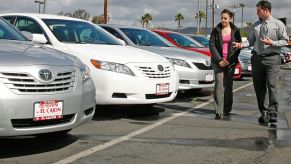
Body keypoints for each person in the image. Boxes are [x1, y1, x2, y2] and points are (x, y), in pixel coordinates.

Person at [233, 1, 289, 124]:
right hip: (257, 59)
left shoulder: (278, 24)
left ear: (265, 10)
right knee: (259, 87)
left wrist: (272, 43)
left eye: (258, 10)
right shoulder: (256, 25)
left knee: (272, 85)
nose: (256, 12)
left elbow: (286, 41)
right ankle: (263, 112)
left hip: (272, 59)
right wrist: (241, 44)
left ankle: (273, 113)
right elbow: (250, 41)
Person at [209, 9, 242, 120]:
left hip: (230, 62)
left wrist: (228, 60)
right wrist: (219, 60)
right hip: (218, 61)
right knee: (218, 84)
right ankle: (218, 111)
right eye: (222, 18)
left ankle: (227, 109)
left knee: (228, 86)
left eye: (225, 18)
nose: (223, 20)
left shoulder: (235, 30)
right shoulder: (216, 30)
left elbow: (238, 47)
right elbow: (212, 45)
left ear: (230, 19)